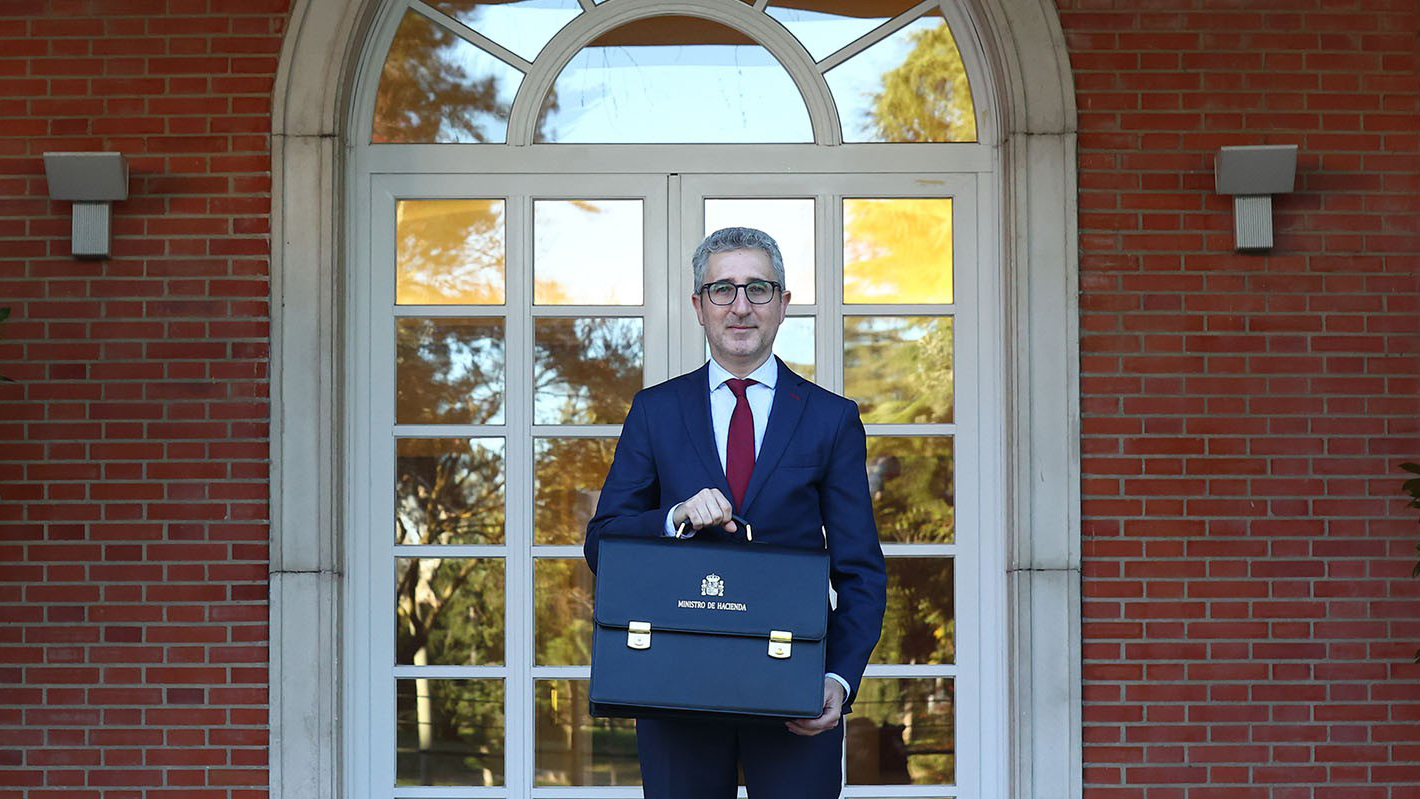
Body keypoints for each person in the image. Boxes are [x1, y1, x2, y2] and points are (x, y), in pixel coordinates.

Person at [584, 226, 888, 799]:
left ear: (783, 304)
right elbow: (602, 543)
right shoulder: (654, 411)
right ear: (699, 307)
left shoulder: (832, 419)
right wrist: (673, 517)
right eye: (722, 289)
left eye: (758, 289)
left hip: (795, 691)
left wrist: (838, 678)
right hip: (674, 691)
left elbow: (861, 573)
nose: (740, 306)